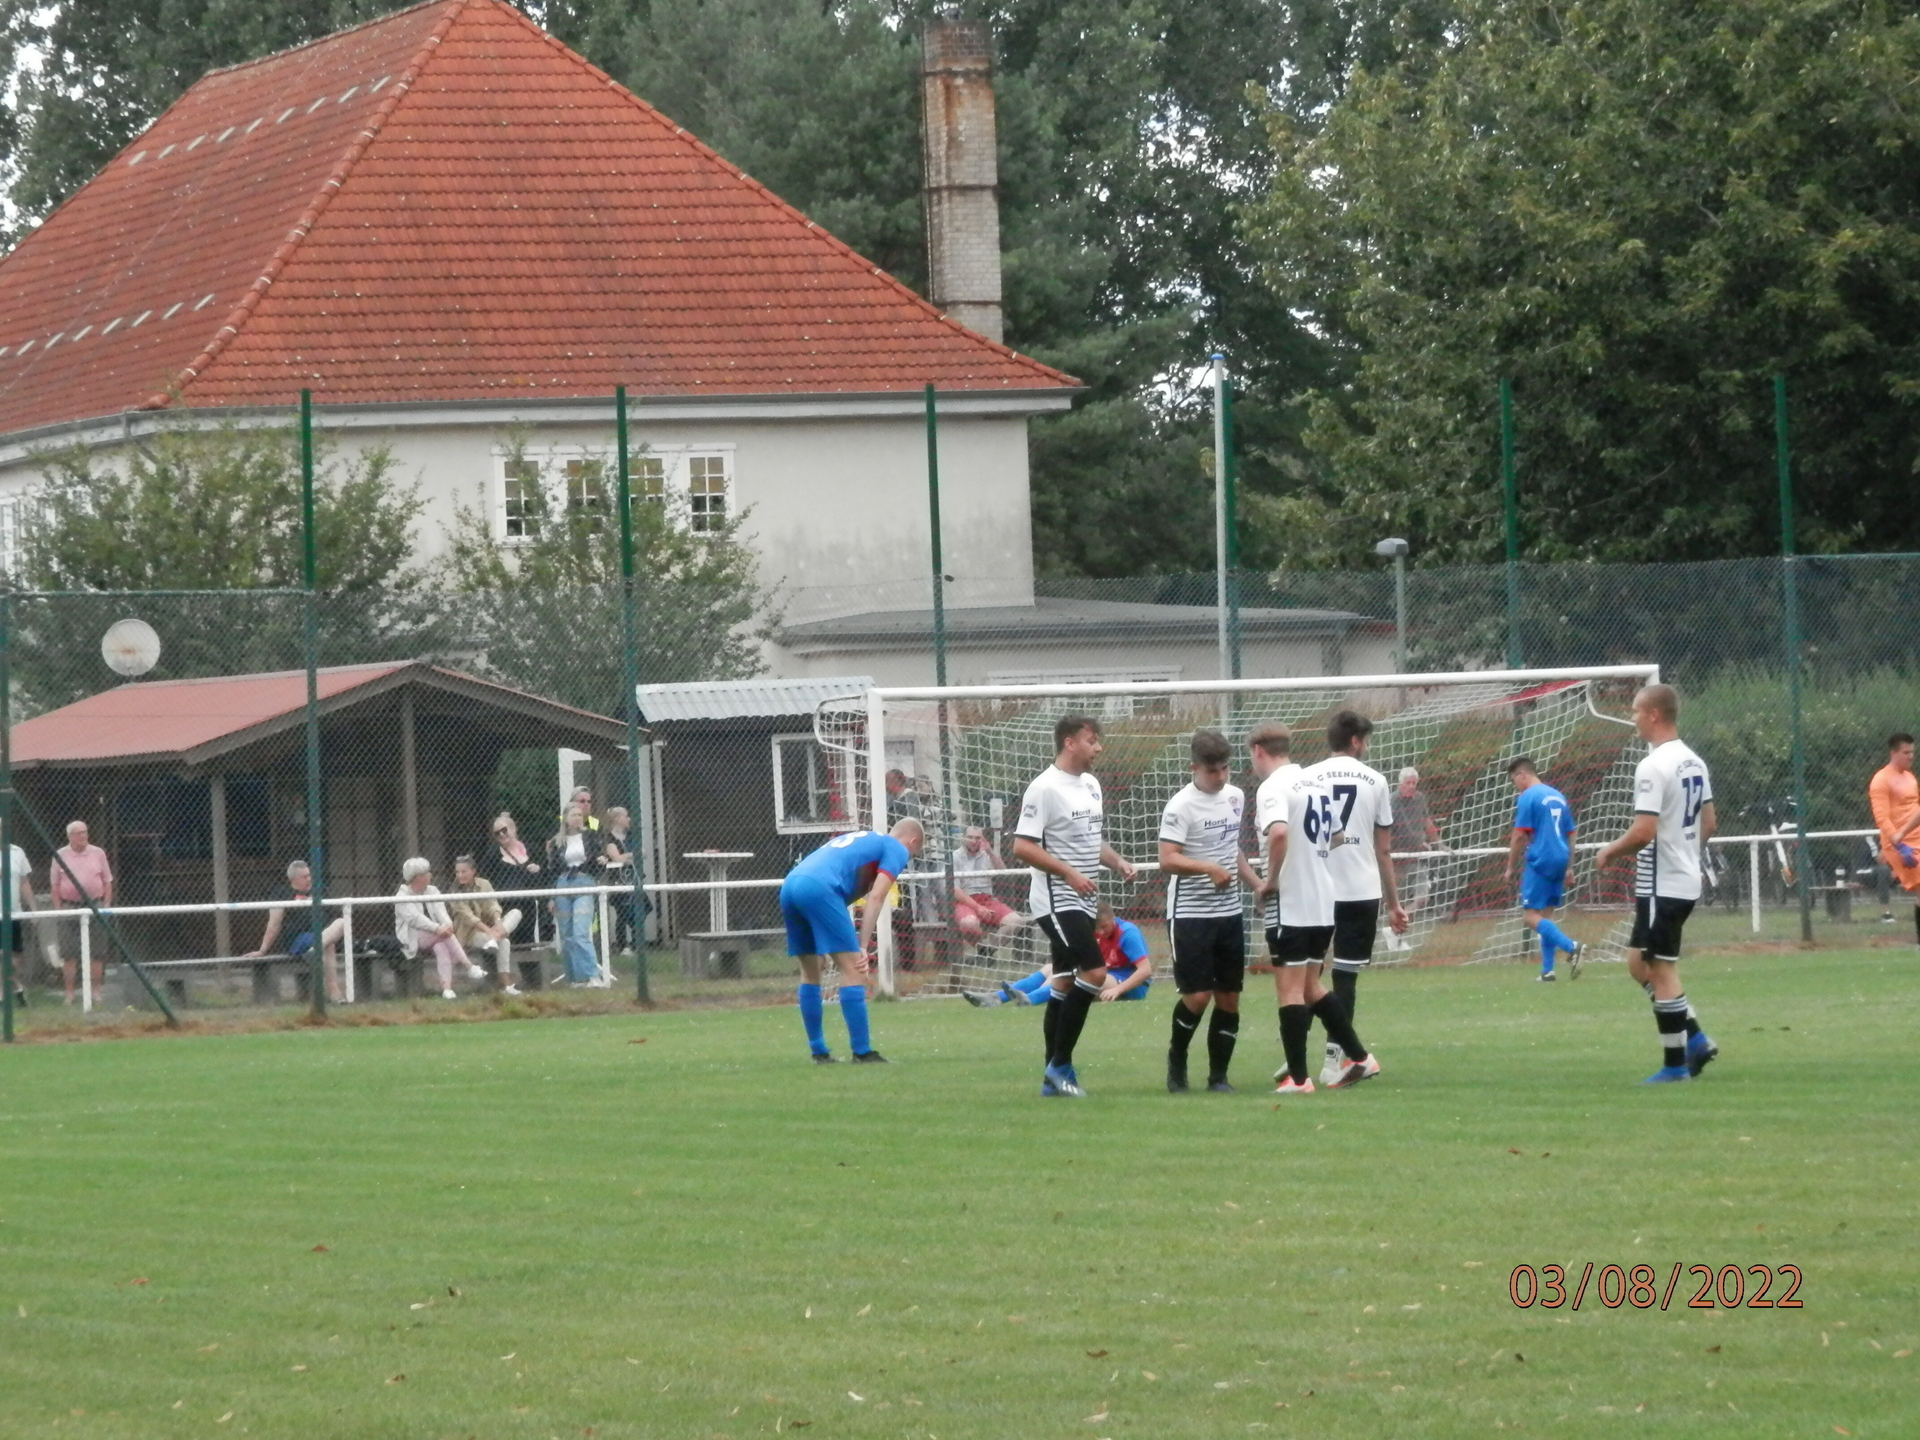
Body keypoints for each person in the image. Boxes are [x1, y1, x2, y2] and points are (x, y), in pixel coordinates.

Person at [1596, 683, 1719, 1083]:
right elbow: (1710, 823)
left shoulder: (1652, 765)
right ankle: (1696, 1038)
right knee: (1639, 964)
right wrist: (1685, 852)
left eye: (1635, 711)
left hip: (1662, 884)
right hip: (1682, 879)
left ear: (1653, 715)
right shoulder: (1694, 761)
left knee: (1660, 969)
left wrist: (1609, 851)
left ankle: (1674, 1067)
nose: (1631, 718)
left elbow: (1643, 831)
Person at [1011, 714, 1138, 1098]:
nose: (1098, 747)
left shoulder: (1091, 785)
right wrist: (1068, 873)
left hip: (1081, 898)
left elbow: (1088, 840)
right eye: (1091, 740)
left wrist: (1115, 861)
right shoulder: (1044, 788)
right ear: (1070, 742)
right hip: (1056, 900)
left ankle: (1053, 1077)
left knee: (1064, 981)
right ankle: (1060, 1067)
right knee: (1095, 972)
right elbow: (1023, 846)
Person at [1249, 722, 1376, 1094]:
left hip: (1292, 900)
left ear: (1258, 750)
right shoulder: (1315, 785)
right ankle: (1360, 1057)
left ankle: (1299, 1079)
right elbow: (1336, 837)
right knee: (1310, 986)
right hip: (1324, 900)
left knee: (1288, 990)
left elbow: (1279, 833)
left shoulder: (1273, 787)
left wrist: (1271, 880)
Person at [1301, 711, 1408, 1085]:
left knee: (1304, 976)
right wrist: (1394, 903)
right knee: (1345, 978)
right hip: (1360, 891)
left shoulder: (1306, 778)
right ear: (1356, 741)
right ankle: (1335, 1062)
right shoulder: (1376, 781)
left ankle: (1295, 1056)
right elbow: (1383, 851)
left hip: (1315, 889)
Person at [1157, 727, 1261, 1094]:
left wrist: (1257, 884)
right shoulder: (1180, 806)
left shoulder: (1235, 796)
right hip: (1190, 913)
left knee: (1229, 997)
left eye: (1225, 769)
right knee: (1198, 996)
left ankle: (1219, 1077)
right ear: (1194, 768)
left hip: (1229, 913)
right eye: (1212, 771)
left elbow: (1232, 849)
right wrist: (1208, 868)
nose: (1220, 777)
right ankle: (1177, 1061)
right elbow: (1167, 860)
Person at [778, 819, 925, 1063]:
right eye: (913, 853)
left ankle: (819, 1052)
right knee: (853, 969)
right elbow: (877, 897)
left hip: (791, 885)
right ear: (913, 842)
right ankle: (862, 1051)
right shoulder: (896, 848)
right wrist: (863, 946)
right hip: (819, 888)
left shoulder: (865, 839)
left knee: (811, 971)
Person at [976, 902, 1153, 1006]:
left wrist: (1117, 990)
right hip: (1104, 975)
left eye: (1104, 927)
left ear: (1113, 920)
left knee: (1082, 977)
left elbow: (1145, 971)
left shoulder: (1127, 933)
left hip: (1129, 984)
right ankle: (996, 998)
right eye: (1096, 928)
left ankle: (1030, 999)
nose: (1100, 932)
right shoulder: (1092, 932)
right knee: (1051, 969)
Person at [1503, 758, 1585, 981]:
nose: (1516, 786)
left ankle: (1571, 947)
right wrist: (1570, 866)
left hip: (1541, 857)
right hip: (1560, 857)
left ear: (1522, 775)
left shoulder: (1528, 797)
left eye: (1514, 781)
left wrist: (1510, 867)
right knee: (1546, 916)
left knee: (1530, 917)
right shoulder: (1557, 796)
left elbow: (1519, 835)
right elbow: (1571, 832)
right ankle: (1547, 971)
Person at [243, 859, 349, 1003]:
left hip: (320, 934)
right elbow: (274, 923)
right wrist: (262, 950)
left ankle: (314, 949)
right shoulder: (282, 893)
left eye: (309, 875)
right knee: (328, 946)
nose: (309, 879)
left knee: (341, 922)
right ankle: (334, 993)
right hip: (297, 939)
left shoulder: (320, 890)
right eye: (304, 877)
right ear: (293, 879)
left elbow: (330, 918)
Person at [393, 857, 489, 1000]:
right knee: (444, 936)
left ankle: (447, 989)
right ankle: (469, 967)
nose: (430, 875)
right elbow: (416, 920)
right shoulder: (401, 896)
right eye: (427, 873)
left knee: (441, 947)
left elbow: (441, 911)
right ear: (418, 877)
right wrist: (438, 928)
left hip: (438, 934)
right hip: (412, 937)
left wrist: (447, 925)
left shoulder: (432, 890)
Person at [50, 820, 113, 1006]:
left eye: (85, 832)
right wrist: (58, 909)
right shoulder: (60, 855)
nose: (83, 836)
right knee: (68, 953)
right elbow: (54, 885)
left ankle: (96, 992)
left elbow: (107, 881)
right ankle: (69, 994)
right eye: (78, 833)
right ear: (70, 836)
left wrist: (106, 905)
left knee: (97, 952)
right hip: (69, 907)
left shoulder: (98, 853)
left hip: (95, 905)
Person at [1867, 732, 1920, 947]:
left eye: (1912, 753)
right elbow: (1882, 818)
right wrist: (1900, 845)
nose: (1911, 757)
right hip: (1899, 845)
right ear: (1893, 752)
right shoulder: (1881, 780)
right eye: (1906, 752)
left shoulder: (1910, 777)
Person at [448, 854, 523, 995]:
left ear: (473, 871)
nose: (460, 875)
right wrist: (491, 933)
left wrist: (498, 923)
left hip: (492, 929)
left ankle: (506, 985)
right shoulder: (454, 891)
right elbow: (470, 918)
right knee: (504, 941)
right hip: (471, 934)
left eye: (464, 871)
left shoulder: (484, 884)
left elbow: (493, 905)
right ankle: (506, 984)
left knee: (516, 912)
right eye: (457, 872)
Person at [546, 805, 604, 986]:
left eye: (580, 815)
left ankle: (592, 975)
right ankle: (575, 979)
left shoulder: (591, 836)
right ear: (565, 818)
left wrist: (601, 861)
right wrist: (550, 897)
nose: (578, 818)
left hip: (584, 882)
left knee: (580, 932)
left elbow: (598, 864)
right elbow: (552, 871)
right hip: (563, 884)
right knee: (567, 934)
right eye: (574, 815)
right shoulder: (557, 841)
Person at [1388, 766, 1442, 927]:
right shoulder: (1390, 801)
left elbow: (1426, 821)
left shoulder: (1419, 799)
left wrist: (1437, 843)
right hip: (1395, 860)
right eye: (1408, 783)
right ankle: (1394, 931)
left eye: (1414, 783)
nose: (1411, 786)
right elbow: (1384, 829)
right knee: (1393, 901)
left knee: (1422, 898)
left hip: (1415, 858)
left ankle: (1394, 928)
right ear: (1400, 784)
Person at [482, 812, 543, 952]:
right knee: (507, 943)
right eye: (497, 833)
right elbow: (487, 881)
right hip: (504, 904)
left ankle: (530, 973)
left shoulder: (531, 850)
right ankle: (496, 943)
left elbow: (543, 875)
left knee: (527, 945)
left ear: (513, 829)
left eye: (504, 830)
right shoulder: (492, 855)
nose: (502, 835)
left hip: (527, 904)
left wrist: (537, 869)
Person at [951, 826, 1022, 945]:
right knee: (969, 924)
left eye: (978, 838)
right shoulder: (955, 856)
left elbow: (1003, 873)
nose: (974, 841)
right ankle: (980, 947)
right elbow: (956, 891)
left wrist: (990, 851)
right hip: (965, 901)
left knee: (1016, 921)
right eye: (970, 837)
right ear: (963, 838)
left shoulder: (987, 854)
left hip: (987, 899)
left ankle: (988, 948)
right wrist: (977, 907)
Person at [601, 806, 641, 954]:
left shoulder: (630, 836)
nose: (628, 819)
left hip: (633, 877)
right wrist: (631, 855)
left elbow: (642, 853)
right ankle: (622, 944)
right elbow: (616, 858)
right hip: (618, 879)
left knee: (641, 909)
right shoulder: (609, 838)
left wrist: (628, 857)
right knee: (622, 912)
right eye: (626, 816)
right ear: (617, 819)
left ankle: (637, 943)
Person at [2, 838, 36, 1007]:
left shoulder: (17, 851)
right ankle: (2, 996)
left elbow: (24, 882)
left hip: (13, 913)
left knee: (14, 960)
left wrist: (32, 909)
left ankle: (17, 988)